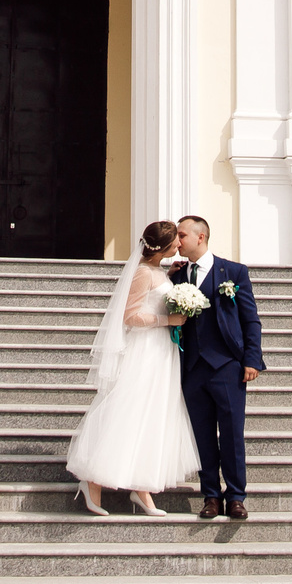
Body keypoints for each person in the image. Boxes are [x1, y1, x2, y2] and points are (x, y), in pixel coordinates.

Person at [64, 219, 202, 515]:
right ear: (163, 247)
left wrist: (171, 276)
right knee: (130, 411)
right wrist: (168, 320)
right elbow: (129, 316)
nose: (180, 243)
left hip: (162, 353)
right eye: (175, 240)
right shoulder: (142, 273)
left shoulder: (157, 271)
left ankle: (142, 490)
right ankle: (92, 482)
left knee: (152, 416)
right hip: (145, 351)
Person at [169, 214, 265, 519]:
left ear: (201, 237)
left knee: (233, 433)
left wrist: (252, 359)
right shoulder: (176, 275)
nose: (177, 241)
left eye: (182, 235)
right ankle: (211, 495)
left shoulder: (234, 272)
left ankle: (236, 496)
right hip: (192, 367)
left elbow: (250, 319)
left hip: (227, 366)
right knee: (203, 435)